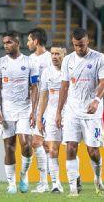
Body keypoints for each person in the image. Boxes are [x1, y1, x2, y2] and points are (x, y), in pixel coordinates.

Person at [0, 31, 39, 194]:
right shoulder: (0, 63)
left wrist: (34, 111)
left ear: (17, 43)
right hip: (7, 111)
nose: (6, 45)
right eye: (4, 43)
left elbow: (35, 88)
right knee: (9, 147)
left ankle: (23, 175)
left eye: (9, 42)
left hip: (24, 109)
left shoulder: (30, 62)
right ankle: (11, 184)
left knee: (27, 145)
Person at [55, 28, 104, 197]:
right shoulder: (68, 60)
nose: (79, 49)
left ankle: (98, 179)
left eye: (82, 45)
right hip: (72, 111)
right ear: (73, 43)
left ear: (88, 42)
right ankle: (72, 189)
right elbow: (64, 86)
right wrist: (58, 112)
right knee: (70, 147)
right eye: (76, 46)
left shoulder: (99, 58)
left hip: (93, 113)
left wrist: (96, 100)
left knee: (93, 151)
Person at [36, 46, 67, 193]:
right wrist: (39, 118)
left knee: (70, 149)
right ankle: (56, 184)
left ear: (64, 55)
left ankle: (76, 179)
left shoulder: (70, 71)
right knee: (52, 149)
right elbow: (43, 96)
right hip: (51, 114)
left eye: (58, 54)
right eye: (52, 54)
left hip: (69, 114)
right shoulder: (46, 72)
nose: (54, 56)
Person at [26, 27, 52, 193]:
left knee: (41, 144)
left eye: (29, 40)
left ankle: (46, 183)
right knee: (41, 144)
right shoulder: (29, 59)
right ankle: (47, 182)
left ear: (36, 41)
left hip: (48, 106)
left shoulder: (50, 58)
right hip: (34, 105)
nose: (27, 43)